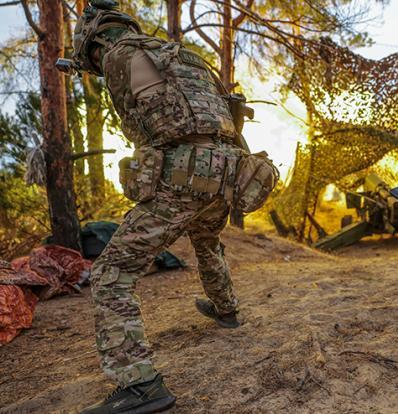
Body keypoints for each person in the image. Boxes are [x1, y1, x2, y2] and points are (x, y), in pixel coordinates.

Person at [67, 1, 277, 412]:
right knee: (206, 238)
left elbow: (140, 130)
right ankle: (226, 308)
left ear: (95, 43)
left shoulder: (118, 56)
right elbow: (226, 117)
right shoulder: (183, 56)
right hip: (229, 170)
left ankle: (140, 384)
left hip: (184, 174)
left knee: (111, 272)